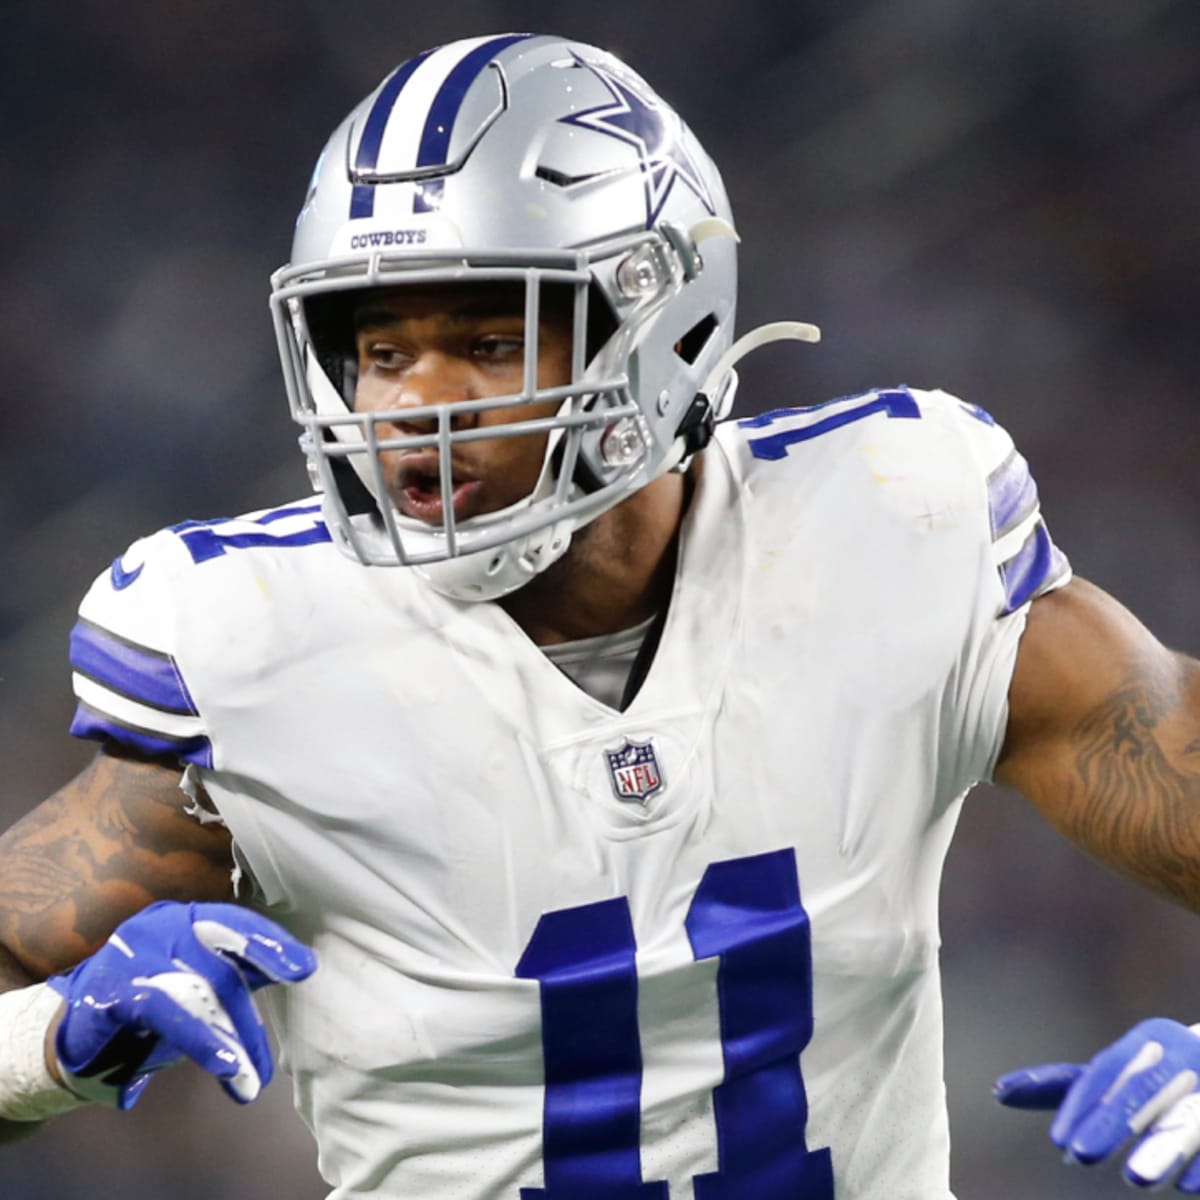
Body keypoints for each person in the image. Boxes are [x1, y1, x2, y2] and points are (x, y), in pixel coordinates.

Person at [0, 30, 1198, 1199]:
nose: (416, 405)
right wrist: (50, 1046)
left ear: (660, 325)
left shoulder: (891, 521)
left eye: (486, 340)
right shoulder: (253, 644)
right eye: (378, 351)